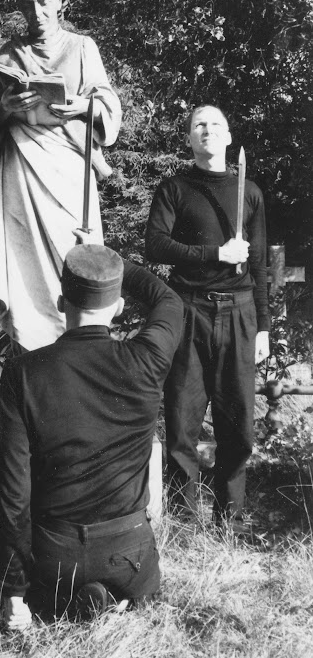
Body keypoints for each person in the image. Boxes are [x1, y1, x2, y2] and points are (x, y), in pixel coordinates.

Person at [0, 240, 183, 629]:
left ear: (59, 302)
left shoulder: (23, 373)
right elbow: (169, 300)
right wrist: (113, 261)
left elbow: (15, 491)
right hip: (131, 559)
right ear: (118, 308)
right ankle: (111, 596)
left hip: (55, 560)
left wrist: (14, 588)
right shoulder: (148, 359)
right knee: (120, 564)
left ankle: (50, 597)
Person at [0, 0, 121, 351]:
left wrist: (83, 106)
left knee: (74, 257)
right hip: (21, 168)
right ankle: (30, 350)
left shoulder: (82, 47)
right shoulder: (8, 55)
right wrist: (5, 107)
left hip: (69, 169)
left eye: (42, 2)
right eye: (27, 4)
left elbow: (107, 104)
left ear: (59, 0)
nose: (36, 12)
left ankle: (76, 350)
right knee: (23, 268)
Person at [145, 105, 270, 529]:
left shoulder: (249, 192)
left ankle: (229, 518)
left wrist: (264, 327)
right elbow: (155, 246)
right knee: (182, 421)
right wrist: (215, 253)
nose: (208, 130)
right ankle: (183, 521)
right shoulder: (174, 188)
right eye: (199, 124)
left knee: (238, 424)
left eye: (216, 124)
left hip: (240, 313)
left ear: (228, 135)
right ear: (189, 138)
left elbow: (259, 267)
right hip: (189, 309)